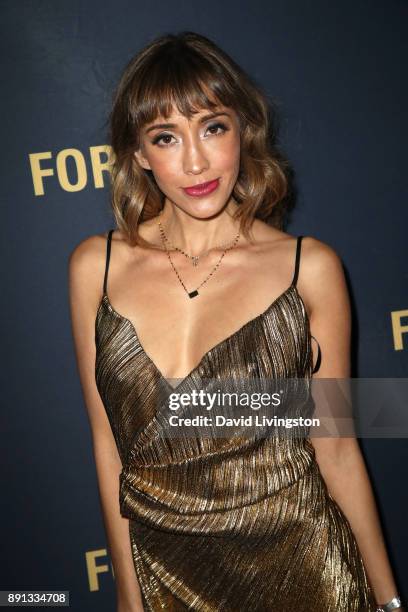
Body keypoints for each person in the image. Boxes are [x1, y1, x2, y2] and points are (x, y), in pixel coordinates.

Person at [68, 31, 404, 612]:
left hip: (308, 566)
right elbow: (108, 446)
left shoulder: (309, 268)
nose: (196, 161)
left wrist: (389, 601)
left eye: (213, 127)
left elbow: (338, 446)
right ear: (140, 155)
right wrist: (128, 593)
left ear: (242, 133)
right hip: (165, 576)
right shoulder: (95, 267)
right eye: (166, 137)